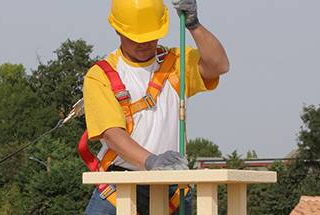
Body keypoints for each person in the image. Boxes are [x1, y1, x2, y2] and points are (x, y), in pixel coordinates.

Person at [83, 0, 229, 214]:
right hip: (119, 187)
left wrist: (194, 25)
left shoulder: (175, 63)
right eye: (135, 38)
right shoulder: (102, 75)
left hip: (172, 190)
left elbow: (219, 65)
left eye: (150, 36)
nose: (143, 43)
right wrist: (151, 161)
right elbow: (112, 134)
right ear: (118, 30)